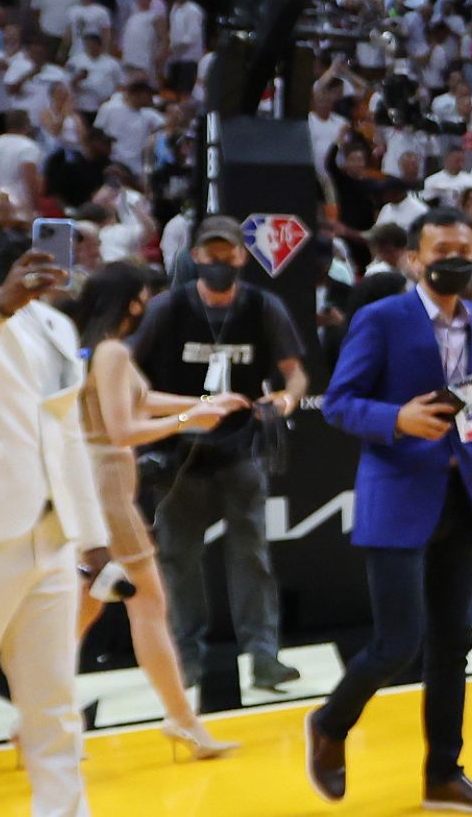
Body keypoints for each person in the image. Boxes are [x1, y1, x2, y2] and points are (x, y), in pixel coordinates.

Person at [309, 206, 472, 811]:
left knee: (452, 644)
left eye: (463, 248)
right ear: (414, 258)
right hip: (397, 498)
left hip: (463, 501)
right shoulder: (380, 318)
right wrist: (396, 419)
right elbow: (338, 403)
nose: (453, 260)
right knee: (398, 643)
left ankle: (443, 774)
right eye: (440, 250)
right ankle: (330, 725)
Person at [0, 188, 111, 817]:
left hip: (49, 537)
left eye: (20, 224)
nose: (9, 234)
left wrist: (92, 534)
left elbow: (65, 433)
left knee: (55, 708)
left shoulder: (54, 318)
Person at [129, 213, 308, 694]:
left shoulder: (262, 306)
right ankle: (185, 657)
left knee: (252, 555)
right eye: (211, 255)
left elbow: (295, 373)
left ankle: (264, 656)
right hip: (178, 451)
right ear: (195, 257)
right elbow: (130, 374)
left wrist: (286, 398)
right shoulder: (168, 308)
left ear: (242, 257)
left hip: (239, 447)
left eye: (228, 254)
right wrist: (172, 416)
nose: (220, 262)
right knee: (178, 560)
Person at [71, 260, 240, 760]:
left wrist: (203, 402)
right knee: (149, 605)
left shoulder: (90, 347)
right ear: (132, 302)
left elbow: (140, 403)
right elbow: (123, 429)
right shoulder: (113, 352)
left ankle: (35, 719)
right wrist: (190, 419)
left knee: (83, 611)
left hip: (93, 484)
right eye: (144, 295)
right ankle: (185, 722)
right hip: (107, 489)